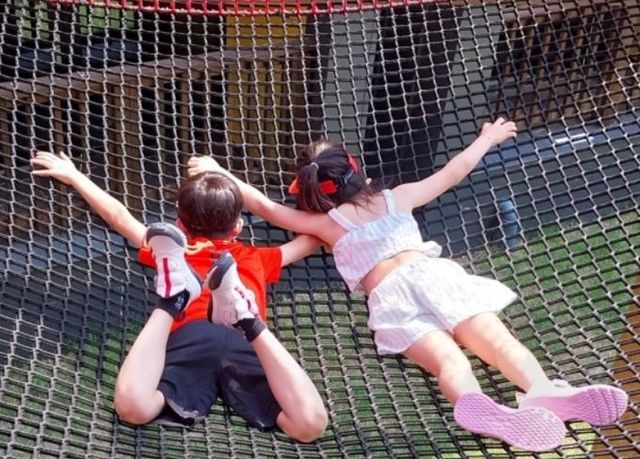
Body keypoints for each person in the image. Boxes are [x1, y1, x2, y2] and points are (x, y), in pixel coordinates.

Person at [187, 118, 629, 451]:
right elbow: (454, 172)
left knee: (449, 362)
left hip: (391, 298)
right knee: (499, 343)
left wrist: (219, 170)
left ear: (313, 192)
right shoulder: (397, 197)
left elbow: (263, 206)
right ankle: (541, 388)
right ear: (356, 172)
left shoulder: (326, 224)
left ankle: (475, 403)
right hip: (434, 277)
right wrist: (487, 138)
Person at [30, 151, 328, 442]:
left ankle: (173, 300)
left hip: (190, 334)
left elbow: (119, 217)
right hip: (244, 340)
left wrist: (76, 177)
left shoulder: (173, 249)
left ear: (179, 225)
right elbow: (312, 237)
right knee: (309, 425)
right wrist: (332, 204)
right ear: (238, 227)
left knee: (133, 408)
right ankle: (249, 319)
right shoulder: (256, 257)